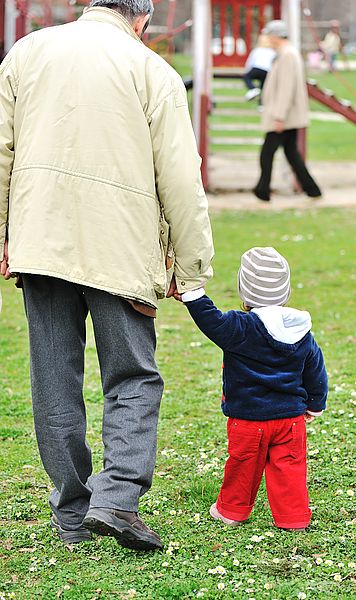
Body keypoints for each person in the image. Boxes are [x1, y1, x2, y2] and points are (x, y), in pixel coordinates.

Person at [0, 0, 214, 551]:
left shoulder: (26, 53)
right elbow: (182, 182)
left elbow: (2, 152)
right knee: (133, 376)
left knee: (54, 380)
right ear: (141, 18)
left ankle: (72, 513)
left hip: (40, 242)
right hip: (122, 246)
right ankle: (116, 498)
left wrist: (3, 235)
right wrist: (191, 268)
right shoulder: (153, 71)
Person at [178, 247, 328, 530]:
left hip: (248, 420)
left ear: (245, 294)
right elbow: (316, 370)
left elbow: (211, 320)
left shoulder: (239, 328)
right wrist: (315, 403)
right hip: (290, 420)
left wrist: (192, 295)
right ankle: (293, 518)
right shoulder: (301, 331)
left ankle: (232, 511)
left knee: (242, 466)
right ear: (285, 294)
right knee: (290, 468)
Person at [253, 20, 322, 202]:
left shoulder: (287, 55)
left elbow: (286, 88)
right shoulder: (285, 53)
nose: (266, 38)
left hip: (284, 116)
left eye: (268, 34)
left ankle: (262, 190)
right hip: (286, 116)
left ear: (275, 36)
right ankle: (312, 190)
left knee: (267, 153)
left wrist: (279, 116)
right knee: (291, 154)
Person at [242, 34, 276, 102]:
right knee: (263, 86)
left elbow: (250, 60)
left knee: (247, 77)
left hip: (257, 68)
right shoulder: (272, 51)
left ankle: (253, 88)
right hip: (267, 70)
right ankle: (261, 104)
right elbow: (274, 62)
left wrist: (247, 69)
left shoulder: (257, 50)